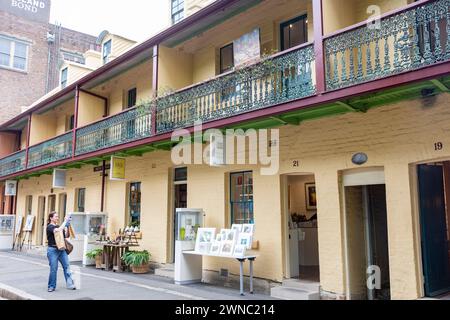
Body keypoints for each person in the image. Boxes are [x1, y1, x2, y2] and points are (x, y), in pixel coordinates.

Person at [46, 212, 76, 292]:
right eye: (56, 216)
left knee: (67, 267)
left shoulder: (58, 226)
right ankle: (51, 286)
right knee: (53, 269)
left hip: (62, 250)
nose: (57, 218)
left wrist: (68, 226)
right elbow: (57, 231)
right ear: (51, 218)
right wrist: (65, 221)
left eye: (58, 216)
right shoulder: (49, 227)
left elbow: (66, 236)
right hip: (52, 250)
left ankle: (70, 285)